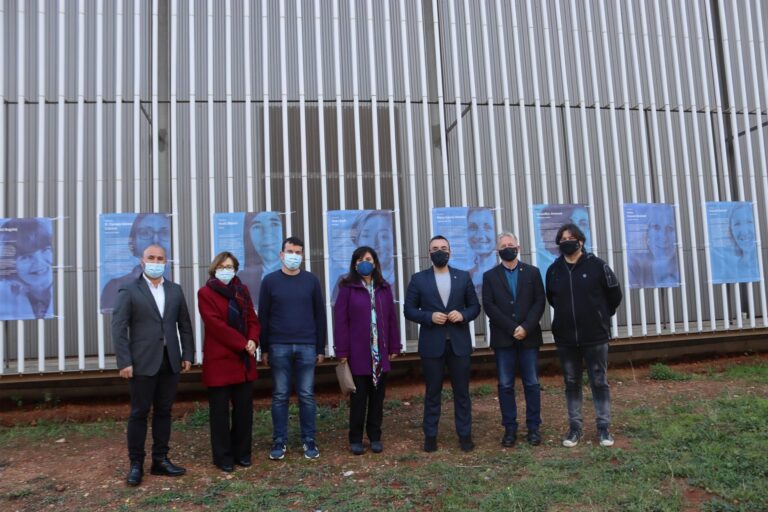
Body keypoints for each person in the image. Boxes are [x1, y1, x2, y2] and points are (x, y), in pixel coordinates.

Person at [112, 243, 194, 486]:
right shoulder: (129, 289)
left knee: (164, 412)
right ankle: (136, 463)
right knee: (139, 412)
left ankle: (160, 460)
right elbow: (118, 328)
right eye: (151, 258)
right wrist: (124, 361)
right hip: (142, 363)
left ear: (166, 262)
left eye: (160, 258)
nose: (156, 262)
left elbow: (185, 325)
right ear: (142, 261)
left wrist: (187, 354)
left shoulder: (175, 290)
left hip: (170, 362)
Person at [545, 223, 622, 448]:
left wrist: (600, 316)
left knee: (599, 381)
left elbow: (614, 296)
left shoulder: (599, 266)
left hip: (595, 336)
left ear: (581, 241)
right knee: (571, 382)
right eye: (563, 238)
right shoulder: (553, 270)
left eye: (571, 237)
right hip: (566, 339)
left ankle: (603, 428)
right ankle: (575, 428)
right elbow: (552, 299)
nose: (567, 241)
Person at [404, 235, 481, 453]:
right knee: (432, 392)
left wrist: (463, 315)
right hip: (432, 345)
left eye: (444, 248)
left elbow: (475, 307)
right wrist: (428, 317)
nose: (440, 251)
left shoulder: (463, 277)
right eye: (435, 248)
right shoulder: (419, 279)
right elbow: (408, 310)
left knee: (462, 392)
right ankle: (430, 436)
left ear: (450, 252)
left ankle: (464, 435)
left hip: (459, 344)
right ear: (429, 253)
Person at [258, 236, 327, 461]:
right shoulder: (269, 281)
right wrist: (264, 348)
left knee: (307, 395)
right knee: (280, 395)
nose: (294, 256)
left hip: (307, 345)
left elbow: (319, 315)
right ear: (281, 254)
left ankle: (309, 440)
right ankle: (280, 440)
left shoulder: (311, 281)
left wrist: (320, 347)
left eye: (298, 252)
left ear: (303, 256)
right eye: (290, 251)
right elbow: (264, 317)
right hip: (278, 346)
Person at [334, 246, 402, 455]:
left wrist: (394, 345)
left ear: (375, 263)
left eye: (369, 259)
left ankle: (375, 436)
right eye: (362, 259)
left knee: (377, 398)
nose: (366, 262)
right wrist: (342, 350)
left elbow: (391, 318)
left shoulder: (383, 287)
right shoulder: (347, 287)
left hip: (379, 353)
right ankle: (355, 438)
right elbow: (341, 321)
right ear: (355, 263)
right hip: (358, 353)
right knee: (359, 398)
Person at [198, 251, 260, 472]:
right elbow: (215, 326)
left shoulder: (242, 291)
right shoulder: (205, 293)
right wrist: (243, 343)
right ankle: (223, 457)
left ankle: (242, 453)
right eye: (222, 266)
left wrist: (253, 339)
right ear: (215, 269)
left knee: (244, 411)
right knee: (220, 413)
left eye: (230, 266)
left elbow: (252, 319)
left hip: (243, 361)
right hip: (220, 361)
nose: (226, 270)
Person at [482, 232, 545, 447]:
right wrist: (512, 328)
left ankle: (534, 428)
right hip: (504, 338)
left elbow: (539, 302)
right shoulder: (490, 276)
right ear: (497, 250)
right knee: (506, 385)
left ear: (518, 246)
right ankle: (510, 429)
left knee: (532, 383)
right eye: (503, 245)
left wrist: (526, 327)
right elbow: (489, 306)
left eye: (511, 244)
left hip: (529, 337)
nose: (507, 247)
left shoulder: (533, 273)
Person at [101, 213, 172, 313]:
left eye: (164, 233)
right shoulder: (115, 288)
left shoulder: (175, 288)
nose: (155, 240)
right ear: (133, 242)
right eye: (146, 233)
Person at [0, 218, 54, 320]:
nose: (39, 262)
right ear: (12, 263)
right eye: (26, 257)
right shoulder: (5, 295)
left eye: (45, 250)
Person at [237, 211, 283, 306]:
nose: (267, 234)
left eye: (274, 224)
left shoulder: (297, 273)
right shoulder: (241, 278)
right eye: (257, 227)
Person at [628, 206, 679, 288]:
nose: (663, 237)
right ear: (647, 232)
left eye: (670, 228)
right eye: (656, 227)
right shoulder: (634, 267)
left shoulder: (683, 270)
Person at [713, 203, 759, 283]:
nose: (744, 231)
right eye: (737, 224)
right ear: (731, 231)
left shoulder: (760, 264)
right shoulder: (728, 271)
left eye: (749, 222)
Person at [352, 211, 395, 286]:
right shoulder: (345, 283)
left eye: (383, 236)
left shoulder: (402, 278)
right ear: (357, 241)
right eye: (366, 236)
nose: (374, 244)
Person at [466, 207, 496, 296]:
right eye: (473, 227)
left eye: (487, 227)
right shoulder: (465, 276)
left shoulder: (503, 274)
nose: (480, 235)